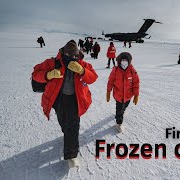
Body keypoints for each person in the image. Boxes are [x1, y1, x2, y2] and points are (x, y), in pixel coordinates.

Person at [32, 40, 98, 168]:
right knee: (63, 122)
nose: (73, 58)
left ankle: (71, 155)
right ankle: (66, 134)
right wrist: (48, 75)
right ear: (64, 53)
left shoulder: (82, 64)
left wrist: (82, 71)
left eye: (75, 56)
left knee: (72, 128)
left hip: (75, 100)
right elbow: (35, 74)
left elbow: (93, 77)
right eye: (70, 55)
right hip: (59, 100)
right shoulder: (53, 63)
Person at [106, 52, 140, 132]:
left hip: (128, 96)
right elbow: (110, 81)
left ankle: (121, 112)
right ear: (119, 61)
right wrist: (108, 91)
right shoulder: (115, 70)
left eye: (126, 60)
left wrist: (136, 95)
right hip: (118, 95)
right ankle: (119, 123)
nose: (124, 62)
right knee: (119, 109)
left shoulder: (132, 70)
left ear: (129, 61)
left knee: (124, 106)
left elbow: (136, 83)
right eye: (123, 60)